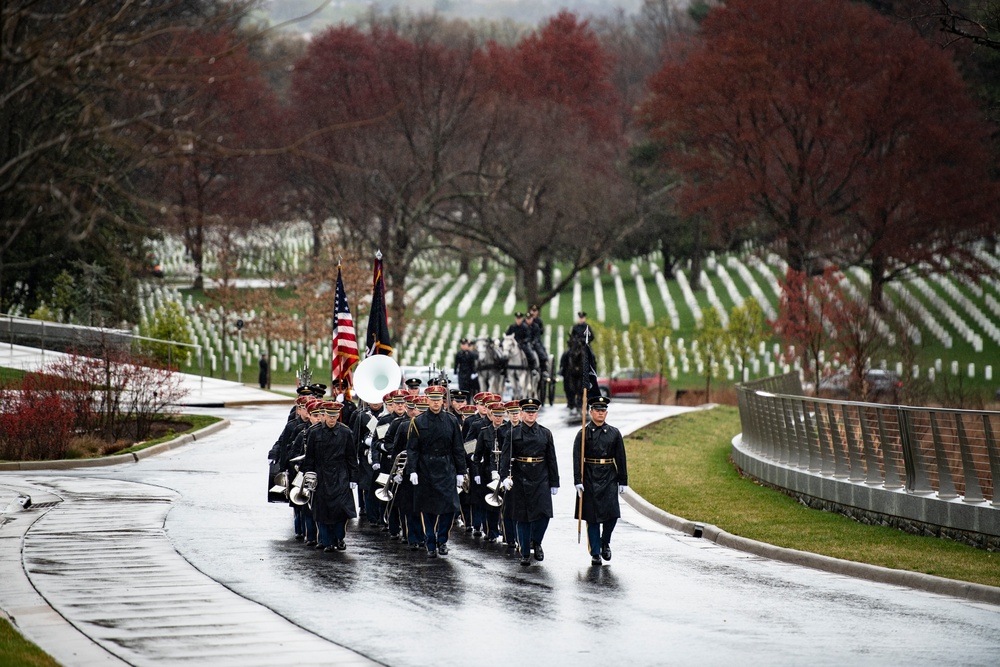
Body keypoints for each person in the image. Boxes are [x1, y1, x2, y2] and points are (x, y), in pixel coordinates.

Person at [406, 385, 467, 558]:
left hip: (446, 467)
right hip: (426, 468)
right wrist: (413, 470)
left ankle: (442, 540)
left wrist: (461, 472)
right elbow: (412, 449)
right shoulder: (418, 422)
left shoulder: (451, 421)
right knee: (428, 509)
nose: (435, 403)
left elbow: (458, 448)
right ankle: (430, 542)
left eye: (438, 399)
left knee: (450, 508)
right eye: (432, 400)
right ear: (426, 400)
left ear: (443, 401)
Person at [499, 397, 559, 566]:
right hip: (520, 477)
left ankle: (537, 542)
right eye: (527, 412)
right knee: (522, 517)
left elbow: (551, 459)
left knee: (544, 515)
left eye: (533, 412)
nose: (531, 415)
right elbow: (505, 457)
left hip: (541, 477)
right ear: (522, 414)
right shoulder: (513, 433)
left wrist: (554, 482)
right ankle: (525, 552)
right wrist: (504, 477)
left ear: (537, 414)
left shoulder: (545, 433)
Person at [573, 395, 628, 565]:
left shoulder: (614, 433)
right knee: (593, 517)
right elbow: (577, 458)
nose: (601, 413)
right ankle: (595, 552)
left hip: (609, 476)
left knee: (612, 515)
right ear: (590, 412)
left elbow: (621, 457)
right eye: (597, 410)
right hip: (589, 475)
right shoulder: (583, 433)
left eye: (603, 410)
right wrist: (577, 480)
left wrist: (623, 480)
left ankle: (606, 541)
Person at [302, 401, 359, 552]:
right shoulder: (314, 433)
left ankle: (339, 537)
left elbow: (351, 457)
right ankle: (327, 542)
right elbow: (310, 458)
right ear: (324, 415)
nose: (332, 419)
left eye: (335, 416)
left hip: (341, 475)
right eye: (329, 416)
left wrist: (353, 478)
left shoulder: (346, 432)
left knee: (342, 509)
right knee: (322, 510)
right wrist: (309, 476)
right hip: (321, 475)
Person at [471, 401, 504, 542]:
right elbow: (475, 454)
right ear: (490, 414)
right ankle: (491, 531)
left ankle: (505, 532)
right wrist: (475, 471)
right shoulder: (483, 431)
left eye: (500, 415)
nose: (498, 418)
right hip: (487, 472)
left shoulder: (508, 430)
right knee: (490, 504)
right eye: (495, 415)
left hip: (503, 471)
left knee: (505, 503)